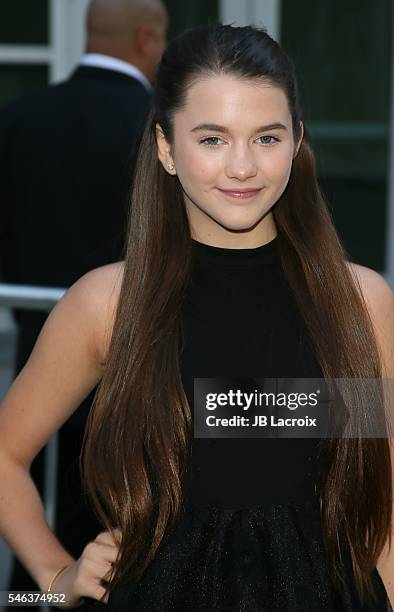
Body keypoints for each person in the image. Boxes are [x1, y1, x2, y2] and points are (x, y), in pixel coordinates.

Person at [0, 23, 394, 611]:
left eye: (267, 137)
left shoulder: (362, 305)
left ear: (297, 143)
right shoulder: (110, 303)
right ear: (167, 148)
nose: (242, 166)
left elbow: (385, 516)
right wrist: (56, 575)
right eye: (213, 138)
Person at [0, 0, 167, 597]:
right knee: (109, 520)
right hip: (140, 363)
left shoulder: (19, 117)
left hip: (40, 353)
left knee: (46, 519)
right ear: (148, 40)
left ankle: (34, 597)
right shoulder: (158, 128)